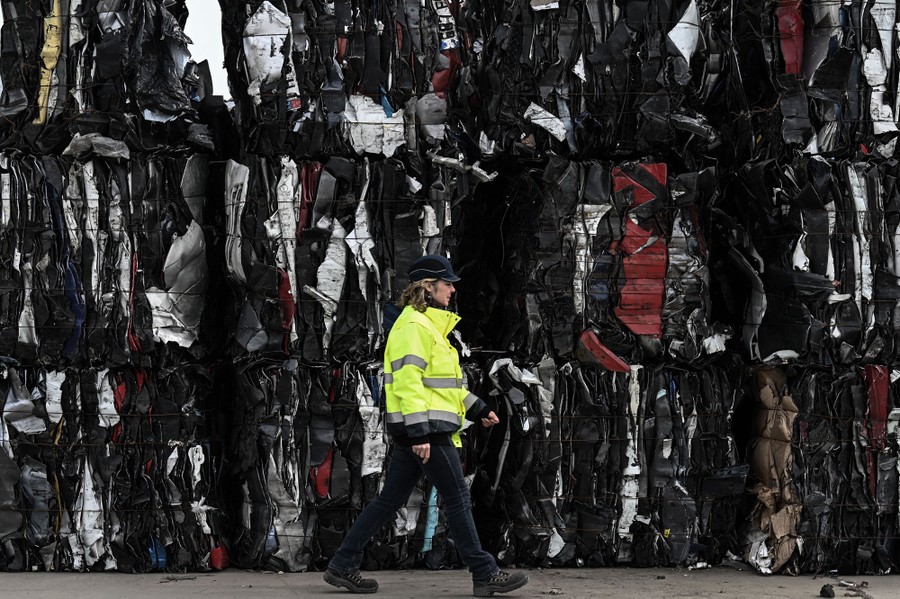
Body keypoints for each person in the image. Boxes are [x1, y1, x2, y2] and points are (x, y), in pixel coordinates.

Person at [324, 254, 529, 597]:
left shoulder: (428, 327)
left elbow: (441, 386)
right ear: (428, 287)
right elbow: (407, 384)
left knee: (389, 501)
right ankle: (484, 573)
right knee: (458, 498)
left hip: (427, 430)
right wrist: (419, 432)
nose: (452, 289)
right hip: (427, 432)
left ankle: (342, 564)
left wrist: (477, 408)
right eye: (446, 283)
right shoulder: (413, 328)